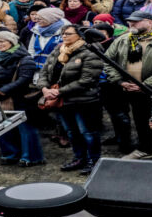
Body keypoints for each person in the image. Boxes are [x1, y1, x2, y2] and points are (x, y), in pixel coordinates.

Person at [37, 24, 104, 175]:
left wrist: (58, 92)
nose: (64, 36)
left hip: (84, 100)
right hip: (63, 101)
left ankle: (94, 161)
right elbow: (44, 72)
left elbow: (87, 80)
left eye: (68, 34)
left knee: (88, 132)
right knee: (72, 132)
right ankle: (79, 158)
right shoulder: (58, 49)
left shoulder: (90, 52)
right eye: (63, 33)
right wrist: (44, 89)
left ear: (80, 35)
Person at [104, 11, 152, 159]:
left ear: (149, 22)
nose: (131, 24)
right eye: (130, 21)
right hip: (122, 87)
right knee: (121, 117)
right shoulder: (122, 40)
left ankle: (148, 149)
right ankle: (126, 144)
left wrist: (145, 85)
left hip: (148, 90)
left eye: (136, 21)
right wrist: (119, 81)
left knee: (145, 121)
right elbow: (107, 61)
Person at [0, 30, 43, 166]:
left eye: (2, 41)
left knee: (25, 128)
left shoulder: (24, 58)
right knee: (3, 126)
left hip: (20, 96)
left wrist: (2, 91)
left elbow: (24, 79)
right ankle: (10, 154)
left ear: (11, 42)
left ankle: (30, 157)